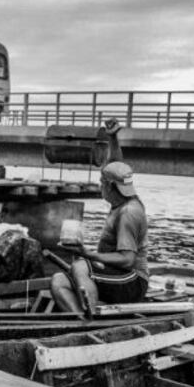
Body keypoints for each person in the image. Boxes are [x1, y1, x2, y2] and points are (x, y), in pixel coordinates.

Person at [51, 119, 149, 315]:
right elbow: (116, 166)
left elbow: (127, 259)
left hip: (132, 280)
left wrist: (88, 254)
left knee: (80, 267)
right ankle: (81, 321)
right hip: (117, 275)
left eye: (102, 183)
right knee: (58, 281)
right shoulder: (122, 198)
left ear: (111, 187)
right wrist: (112, 138)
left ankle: (92, 316)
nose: (100, 186)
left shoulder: (128, 213)